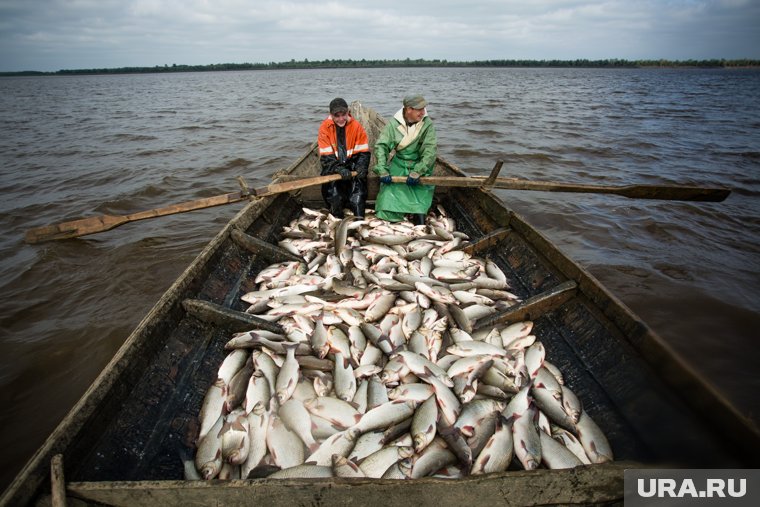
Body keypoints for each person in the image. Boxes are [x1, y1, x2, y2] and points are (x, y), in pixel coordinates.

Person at [372, 94, 437, 224]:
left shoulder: (427, 124)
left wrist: (418, 171)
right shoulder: (393, 123)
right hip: (399, 163)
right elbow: (381, 146)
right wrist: (382, 169)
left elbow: (429, 151)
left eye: (423, 109)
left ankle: (418, 220)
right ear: (408, 109)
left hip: (420, 165)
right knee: (386, 206)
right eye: (419, 109)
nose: (423, 112)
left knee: (419, 210)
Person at [317, 98, 371, 218]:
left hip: (352, 165)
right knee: (334, 196)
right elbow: (326, 157)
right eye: (337, 115)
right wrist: (339, 169)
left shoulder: (357, 127)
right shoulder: (324, 128)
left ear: (348, 112)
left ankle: (358, 218)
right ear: (331, 115)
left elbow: (363, 153)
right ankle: (338, 218)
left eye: (344, 115)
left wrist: (361, 166)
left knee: (359, 195)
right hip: (333, 166)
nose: (341, 119)